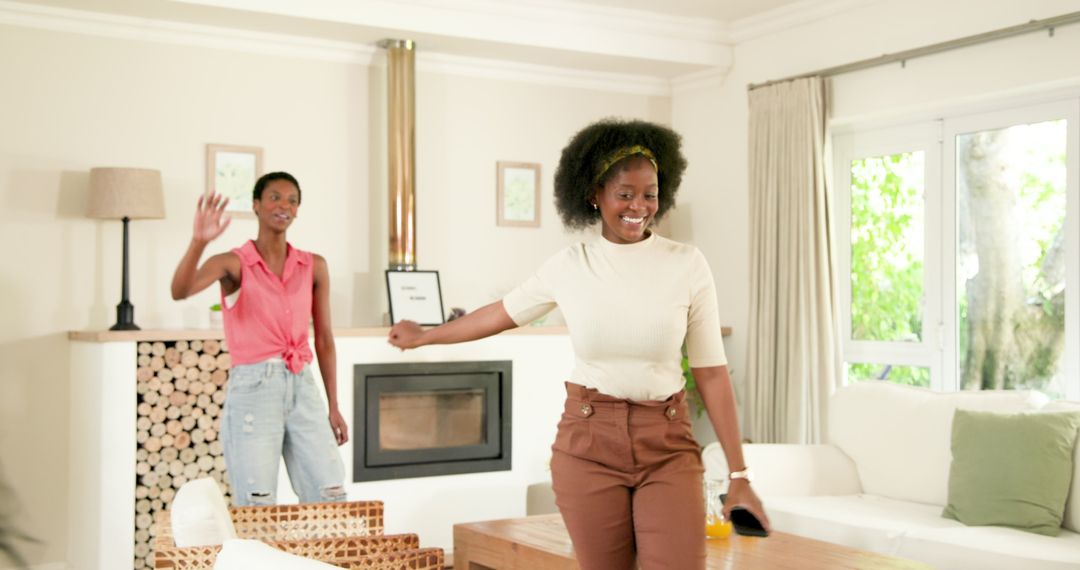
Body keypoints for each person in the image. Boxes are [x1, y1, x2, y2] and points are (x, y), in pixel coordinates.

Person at [389, 118, 770, 569]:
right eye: (624, 193)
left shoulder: (687, 264)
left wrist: (739, 472)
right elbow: (498, 314)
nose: (639, 206)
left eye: (649, 193)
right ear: (594, 195)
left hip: (666, 443)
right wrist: (425, 338)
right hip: (589, 442)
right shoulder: (570, 265)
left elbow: (710, 370)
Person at [171, 172, 348, 506]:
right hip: (253, 390)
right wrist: (199, 241)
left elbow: (324, 339)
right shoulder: (232, 263)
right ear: (256, 205)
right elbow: (180, 291)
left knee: (330, 493)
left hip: (303, 386)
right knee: (257, 502)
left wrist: (333, 405)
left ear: (298, 210)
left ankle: (321, 560)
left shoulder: (314, 266)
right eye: (275, 197)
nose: (284, 206)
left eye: (292, 200)